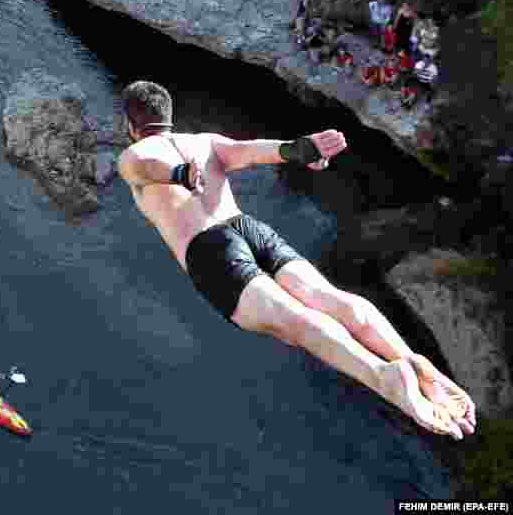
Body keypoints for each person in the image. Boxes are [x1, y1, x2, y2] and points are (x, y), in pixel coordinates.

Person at [115, 80, 475, 440]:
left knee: (297, 321)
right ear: (169, 115)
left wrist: (177, 175)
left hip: (209, 248)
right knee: (334, 300)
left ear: (131, 126)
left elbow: (144, 167)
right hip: (249, 227)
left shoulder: (132, 155)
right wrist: (295, 150)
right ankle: (412, 361)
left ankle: (384, 377)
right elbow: (248, 151)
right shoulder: (204, 141)